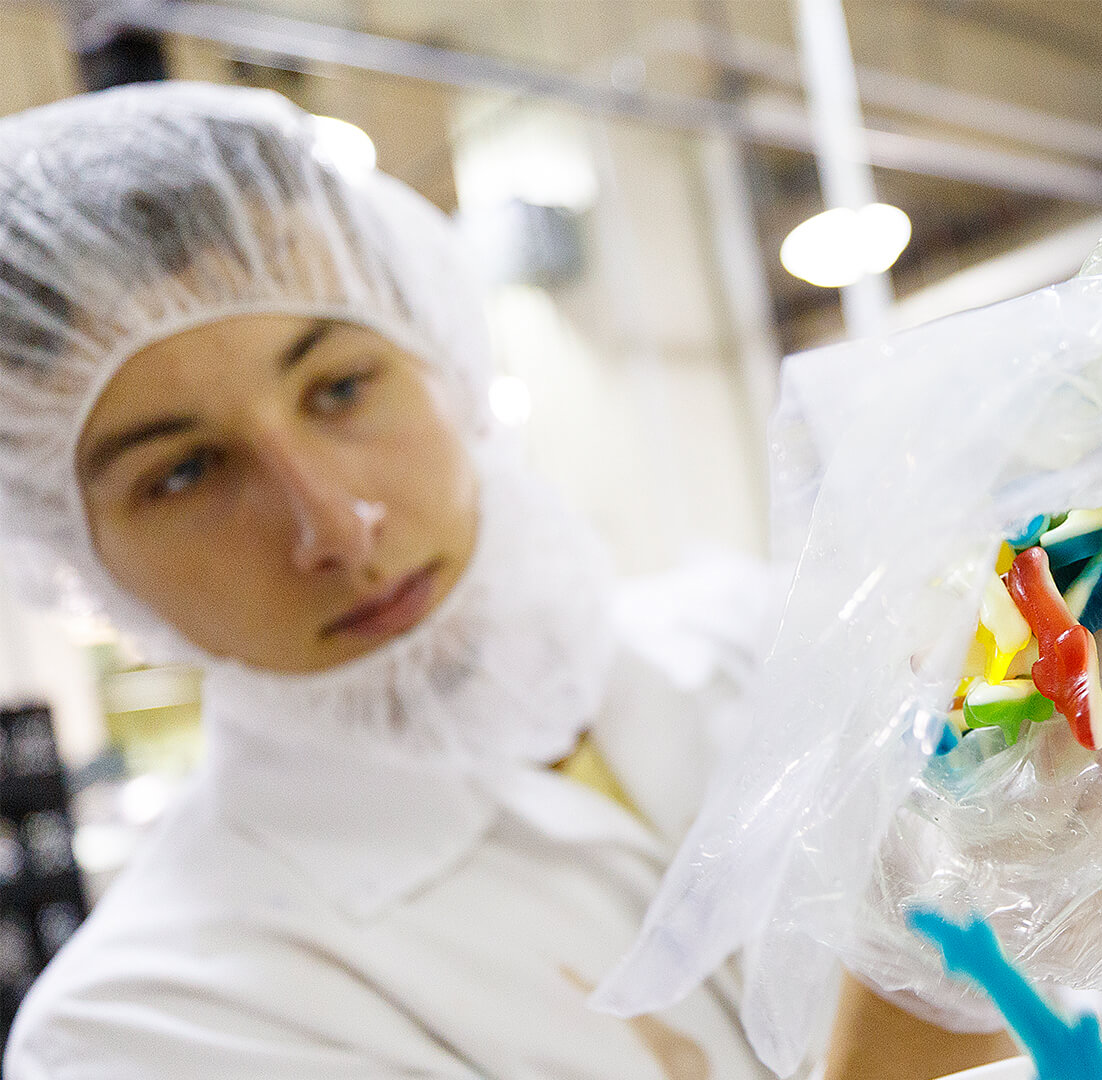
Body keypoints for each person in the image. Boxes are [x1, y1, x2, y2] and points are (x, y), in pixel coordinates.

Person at [0, 82, 1009, 1079]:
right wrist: (945, 957)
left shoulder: (776, 642)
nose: (336, 525)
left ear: (441, 351)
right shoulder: (143, 1028)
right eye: (184, 472)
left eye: (341, 386)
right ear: (72, 552)